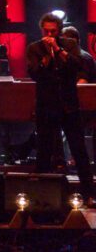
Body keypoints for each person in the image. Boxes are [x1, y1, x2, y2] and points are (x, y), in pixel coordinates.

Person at [27, 13, 95, 201]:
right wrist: (46, 59)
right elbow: (34, 73)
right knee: (44, 152)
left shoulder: (70, 46)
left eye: (53, 31)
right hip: (46, 107)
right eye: (46, 31)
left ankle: (89, 193)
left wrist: (58, 50)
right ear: (41, 30)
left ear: (59, 31)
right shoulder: (34, 48)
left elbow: (77, 66)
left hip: (68, 106)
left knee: (79, 150)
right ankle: (42, 197)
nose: (49, 34)